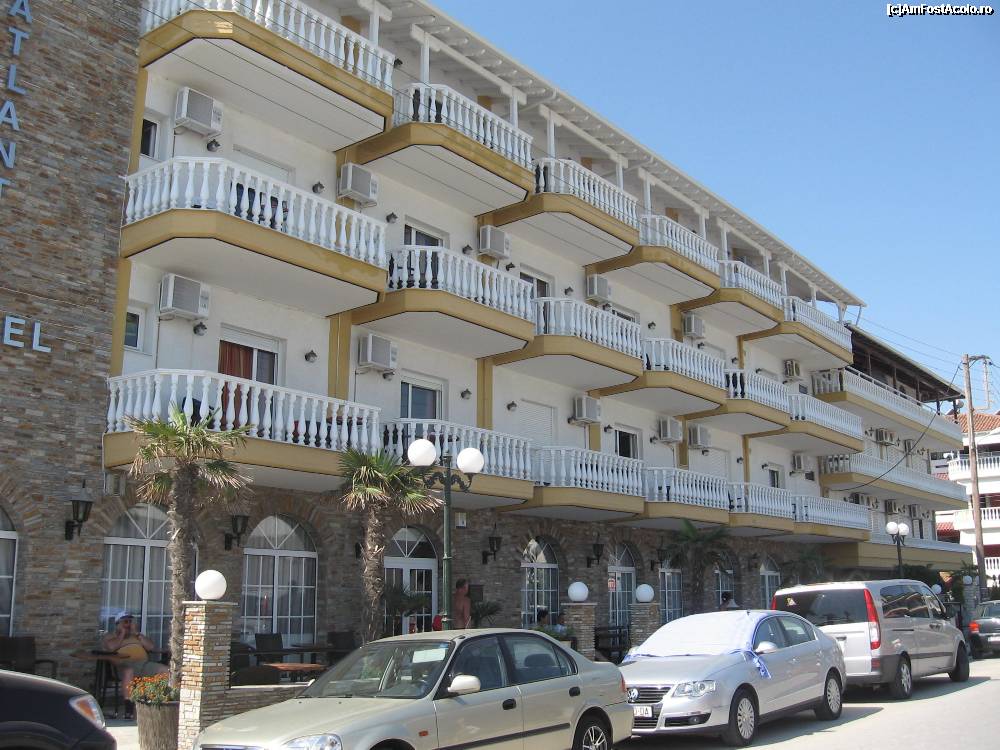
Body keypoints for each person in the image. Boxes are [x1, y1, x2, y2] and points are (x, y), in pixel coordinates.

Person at [101, 612, 167, 711]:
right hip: (123, 665)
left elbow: (151, 647)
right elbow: (111, 648)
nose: (128, 624)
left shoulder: (137, 636)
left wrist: (137, 633)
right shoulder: (111, 636)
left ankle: (157, 700)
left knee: (165, 670)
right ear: (117, 624)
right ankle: (129, 706)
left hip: (143, 664)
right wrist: (122, 634)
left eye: (130, 621)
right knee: (129, 671)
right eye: (125, 622)